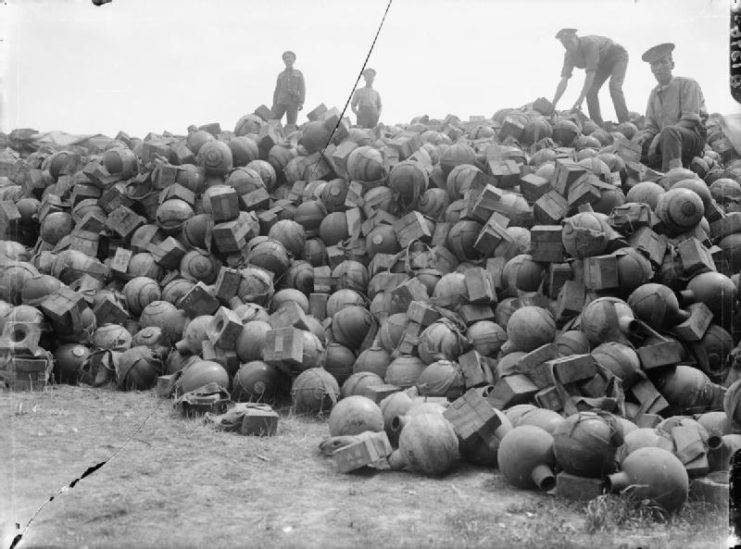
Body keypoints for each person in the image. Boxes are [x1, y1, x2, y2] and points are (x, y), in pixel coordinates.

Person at [635, 43, 708, 172]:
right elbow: (651, 127)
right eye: (654, 64)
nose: (659, 68)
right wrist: (644, 137)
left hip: (691, 138)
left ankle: (672, 176)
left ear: (672, 65)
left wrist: (659, 137)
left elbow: (691, 120)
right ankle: (639, 176)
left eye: (663, 62)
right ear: (651, 69)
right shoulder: (653, 94)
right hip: (666, 141)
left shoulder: (688, 84)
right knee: (634, 145)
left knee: (669, 132)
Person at [551, 28, 630, 126]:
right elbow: (564, 80)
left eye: (570, 42)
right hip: (601, 64)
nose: (568, 46)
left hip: (617, 55)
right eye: (564, 44)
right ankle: (597, 124)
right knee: (591, 91)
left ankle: (625, 122)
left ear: (576, 38)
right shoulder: (569, 55)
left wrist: (580, 99)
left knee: (614, 86)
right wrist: (553, 104)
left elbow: (591, 74)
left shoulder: (589, 44)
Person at [272, 50, 305, 130]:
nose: (288, 59)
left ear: (294, 60)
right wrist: (274, 104)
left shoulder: (298, 73)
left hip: (293, 102)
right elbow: (277, 90)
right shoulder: (281, 75)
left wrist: (301, 102)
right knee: (273, 122)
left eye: (290, 58)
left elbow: (302, 88)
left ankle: (288, 140)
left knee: (291, 124)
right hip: (280, 102)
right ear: (284, 61)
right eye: (286, 58)